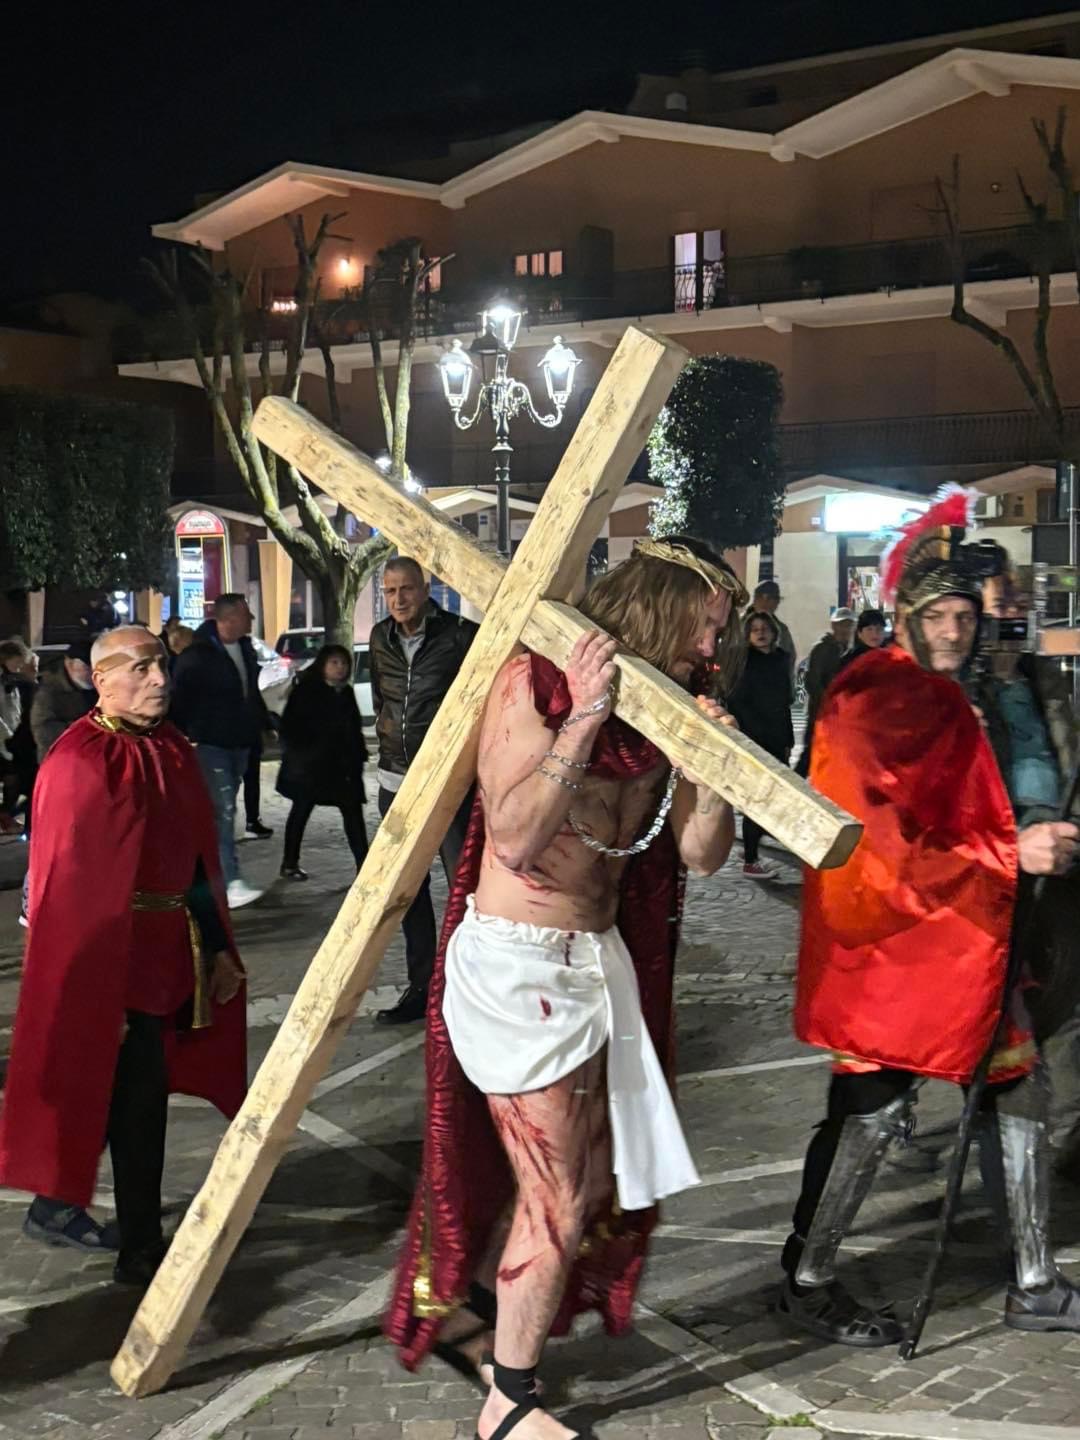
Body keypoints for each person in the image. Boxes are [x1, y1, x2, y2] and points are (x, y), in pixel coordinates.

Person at [386, 536, 745, 1440]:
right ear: (665, 604)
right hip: (518, 965)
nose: (713, 650)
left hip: (595, 967)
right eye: (707, 626)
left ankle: (484, 1320)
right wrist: (585, 718)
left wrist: (713, 780)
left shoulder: (670, 713)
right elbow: (509, 835)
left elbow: (701, 856)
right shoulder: (536, 682)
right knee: (558, 1195)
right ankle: (509, 1404)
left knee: (575, 1188)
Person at [779, 489, 1080, 1347]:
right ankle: (806, 1277)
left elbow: (966, 808)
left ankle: (1034, 1281)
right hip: (891, 948)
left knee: (1019, 1085)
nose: (954, 629)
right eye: (936, 615)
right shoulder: (869, 698)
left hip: (968, 938)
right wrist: (1009, 856)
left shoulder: (950, 694)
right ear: (904, 617)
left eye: (962, 615)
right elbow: (878, 847)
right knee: (871, 1112)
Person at [0, 626, 247, 1286]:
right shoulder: (77, 762)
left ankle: (62, 1206)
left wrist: (218, 947)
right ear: (99, 679)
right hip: (109, 965)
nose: (159, 680)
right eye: (140, 669)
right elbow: (65, 890)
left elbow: (195, 860)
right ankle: (139, 1249)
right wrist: (92, 994)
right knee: (134, 1103)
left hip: (167, 956)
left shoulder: (169, 749)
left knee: (135, 1097)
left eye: (160, 666)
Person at [370, 558, 478, 1025]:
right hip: (396, 783)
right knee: (408, 892)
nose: (399, 599)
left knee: (464, 888)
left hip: (448, 784)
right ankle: (422, 986)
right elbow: (383, 696)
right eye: (390, 591)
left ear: (425, 587)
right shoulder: (379, 638)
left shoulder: (458, 634)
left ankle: (471, 987)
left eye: (407, 589)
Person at [171, 594, 268, 908]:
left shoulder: (244, 648)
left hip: (239, 743)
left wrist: (263, 722)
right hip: (210, 744)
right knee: (223, 811)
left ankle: (197, 877)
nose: (251, 619)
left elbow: (249, 692)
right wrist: (186, 735)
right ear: (228, 619)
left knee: (221, 812)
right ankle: (228, 881)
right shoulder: (197, 655)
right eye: (245, 614)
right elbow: (178, 698)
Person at [277, 643, 369, 881]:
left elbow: (354, 728)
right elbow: (290, 727)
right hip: (312, 769)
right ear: (323, 665)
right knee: (301, 812)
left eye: (344, 663)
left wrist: (358, 756)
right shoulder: (307, 691)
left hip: (343, 770)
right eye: (334, 663)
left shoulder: (345, 692)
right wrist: (304, 753)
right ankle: (289, 863)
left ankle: (365, 867)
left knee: (353, 817)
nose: (340, 668)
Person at [727, 612, 794, 878]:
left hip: (777, 738)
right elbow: (736, 701)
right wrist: (749, 737)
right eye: (754, 629)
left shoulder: (780, 659)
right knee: (758, 799)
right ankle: (751, 859)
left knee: (774, 795)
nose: (760, 633)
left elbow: (784, 703)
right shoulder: (743, 661)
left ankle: (753, 844)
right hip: (754, 738)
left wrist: (787, 739)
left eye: (764, 628)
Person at [794, 607, 856, 777]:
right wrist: (826, 704)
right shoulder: (823, 649)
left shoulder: (846, 650)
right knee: (809, 754)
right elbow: (812, 681)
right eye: (842, 625)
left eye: (849, 625)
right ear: (833, 626)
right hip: (821, 713)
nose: (846, 629)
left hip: (837, 714)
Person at [30, 640, 96, 760]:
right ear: (69, 664)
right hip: (63, 761)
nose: (93, 674)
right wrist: (88, 731)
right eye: (87, 668)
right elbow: (44, 732)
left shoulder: (98, 688)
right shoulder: (48, 692)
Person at [0, 639, 38, 835]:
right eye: (17, 661)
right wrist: (8, 740)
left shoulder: (13, 681)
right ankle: (6, 816)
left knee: (15, 780)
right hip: (4, 741)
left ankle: (7, 816)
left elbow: (14, 712)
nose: (19, 666)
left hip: (12, 740)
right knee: (12, 778)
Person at [745, 579, 796, 680]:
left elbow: (789, 661)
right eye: (761, 598)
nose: (765, 603)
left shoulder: (782, 630)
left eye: (771, 599)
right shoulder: (738, 625)